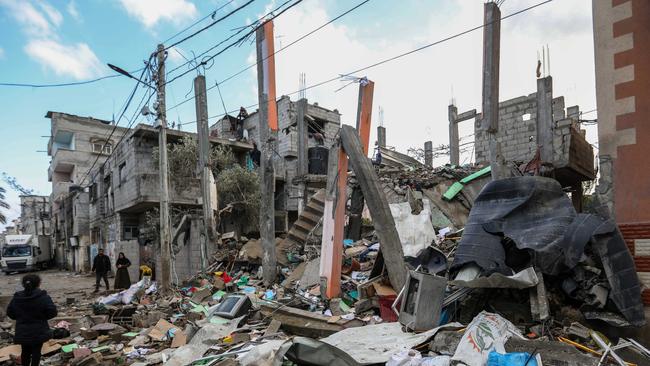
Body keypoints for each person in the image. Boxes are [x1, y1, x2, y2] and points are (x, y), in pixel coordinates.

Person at [6, 274, 57, 366]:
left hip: (22, 330)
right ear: (38, 284)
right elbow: (52, 312)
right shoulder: (43, 297)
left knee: (25, 351)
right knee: (36, 352)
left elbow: (10, 312)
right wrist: (42, 317)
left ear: (23, 284)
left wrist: (20, 318)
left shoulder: (17, 297)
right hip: (39, 330)